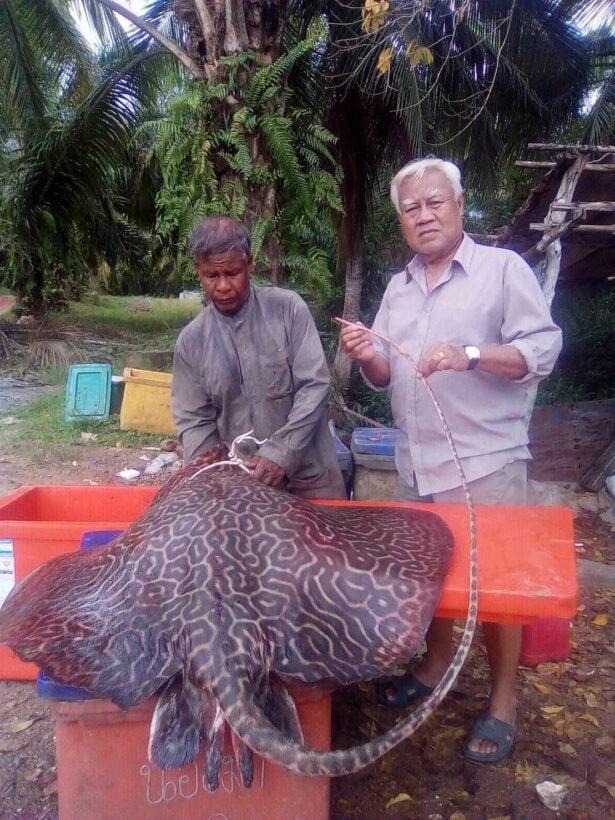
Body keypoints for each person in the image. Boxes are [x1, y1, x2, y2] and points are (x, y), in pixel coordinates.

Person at [339, 158, 562, 763]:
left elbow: (541, 349)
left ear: (459, 207)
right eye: (411, 208)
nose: (424, 215)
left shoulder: (502, 270)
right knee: (429, 579)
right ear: (402, 221)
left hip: (486, 461)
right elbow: (385, 375)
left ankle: (503, 701)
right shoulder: (399, 287)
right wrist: (364, 353)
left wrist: (469, 353)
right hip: (418, 461)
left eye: (435, 202)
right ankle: (436, 667)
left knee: (498, 591)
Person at [172, 215, 346, 500]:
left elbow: (314, 386)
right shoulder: (192, 342)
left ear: (249, 264)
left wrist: (282, 454)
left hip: (310, 482)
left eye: (232, 273)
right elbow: (194, 422)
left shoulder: (288, 310)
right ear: (198, 271)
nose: (223, 285)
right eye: (212, 276)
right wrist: (211, 483)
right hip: (240, 491)